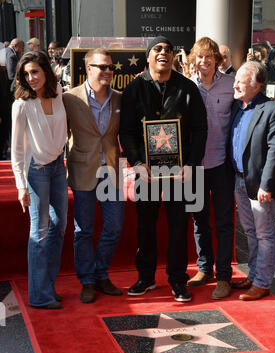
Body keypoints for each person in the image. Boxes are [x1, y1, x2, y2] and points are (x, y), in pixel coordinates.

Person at [119, 36, 207, 302]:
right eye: (158, 49)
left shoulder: (187, 88)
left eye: (169, 49)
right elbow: (127, 131)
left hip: (179, 173)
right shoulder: (134, 89)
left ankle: (178, 280)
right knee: (145, 226)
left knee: (178, 226)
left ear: (173, 57)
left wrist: (192, 164)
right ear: (148, 56)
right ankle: (146, 277)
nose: (164, 53)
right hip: (145, 171)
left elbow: (200, 129)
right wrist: (137, 163)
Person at [63, 48, 124, 303]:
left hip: (110, 171)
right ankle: (87, 280)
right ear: (88, 69)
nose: (108, 71)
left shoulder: (120, 99)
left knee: (114, 227)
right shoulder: (69, 99)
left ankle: (100, 272)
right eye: (102, 67)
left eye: (110, 67)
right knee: (83, 231)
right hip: (82, 170)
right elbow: (59, 134)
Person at [11, 51, 68, 309]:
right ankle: (39, 295)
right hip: (36, 171)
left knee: (60, 225)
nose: (31, 78)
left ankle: (48, 285)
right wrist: (21, 184)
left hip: (58, 167)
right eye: (26, 74)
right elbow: (17, 149)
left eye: (35, 71)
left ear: (46, 71)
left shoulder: (59, 97)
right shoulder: (21, 105)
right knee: (40, 231)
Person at [230, 61, 275, 300]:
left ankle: (263, 282)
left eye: (240, 81)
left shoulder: (272, 110)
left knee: (264, 234)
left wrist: (266, 185)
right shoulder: (237, 107)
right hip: (238, 180)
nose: (235, 85)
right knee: (250, 232)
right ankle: (254, 274)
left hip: (259, 185)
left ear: (257, 86)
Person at [188, 37, 235, 300]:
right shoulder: (186, 86)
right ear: (193, 58)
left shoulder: (231, 85)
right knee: (199, 219)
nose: (204, 61)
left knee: (224, 221)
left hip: (221, 164)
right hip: (194, 165)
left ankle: (224, 276)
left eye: (209, 56)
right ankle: (204, 268)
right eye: (200, 56)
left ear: (217, 59)